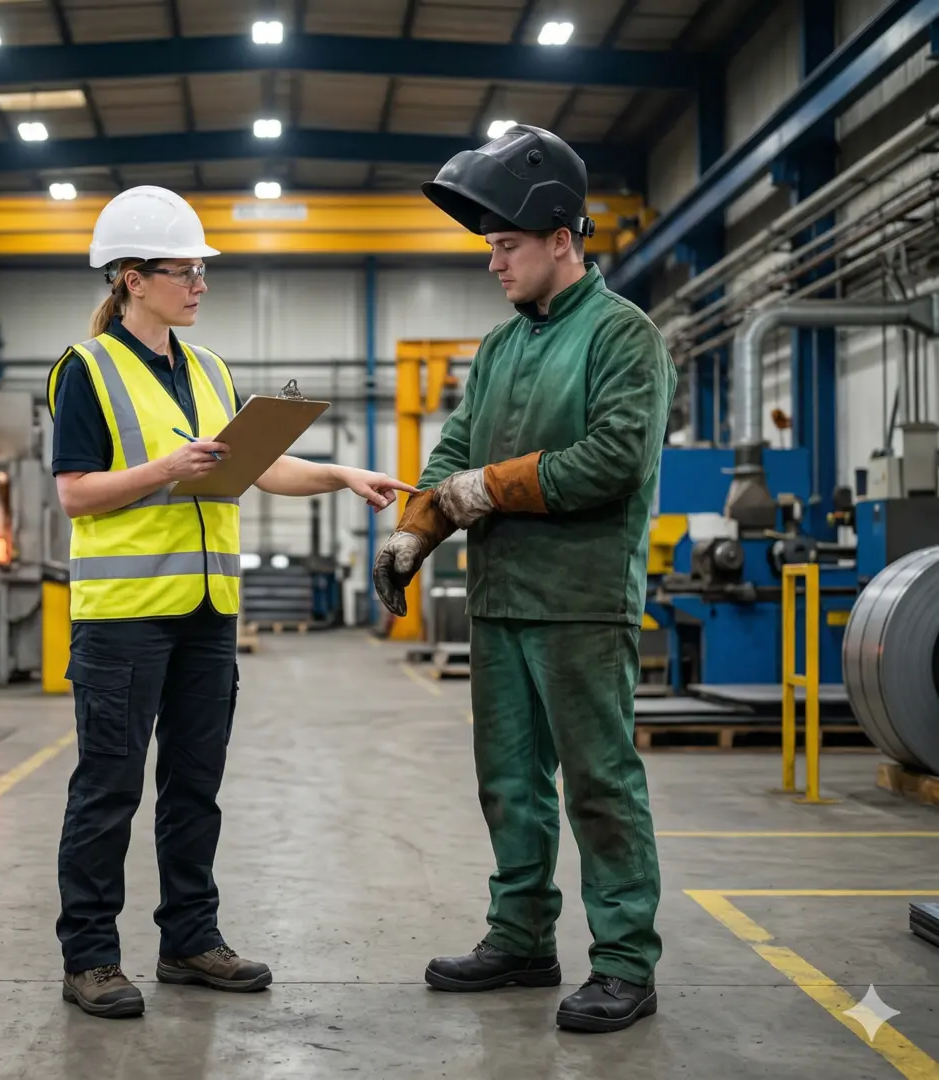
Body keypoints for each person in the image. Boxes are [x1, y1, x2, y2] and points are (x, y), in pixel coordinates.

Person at [49, 185, 415, 1020]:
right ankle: (91, 959)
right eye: (186, 271)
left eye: (204, 270)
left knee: (194, 786)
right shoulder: (88, 370)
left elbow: (251, 467)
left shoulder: (209, 370)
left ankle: (189, 940)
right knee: (108, 789)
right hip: (123, 620)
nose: (201, 284)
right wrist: (164, 471)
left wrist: (338, 473)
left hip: (209, 614)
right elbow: (75, 495)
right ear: (133, 279)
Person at [372, 126, 676, 1034]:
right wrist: (416, 526)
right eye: (490, 248)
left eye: (506, 246)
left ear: (560, 238)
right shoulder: (502, 349)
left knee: (597, 783)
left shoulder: (624, 336)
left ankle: (624, 961)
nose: (494, 263)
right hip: (499, 600)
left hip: (583, 602)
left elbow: (613, 461)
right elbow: (460, 448)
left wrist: (487, 488)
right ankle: (522, 938)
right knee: (508, 782)